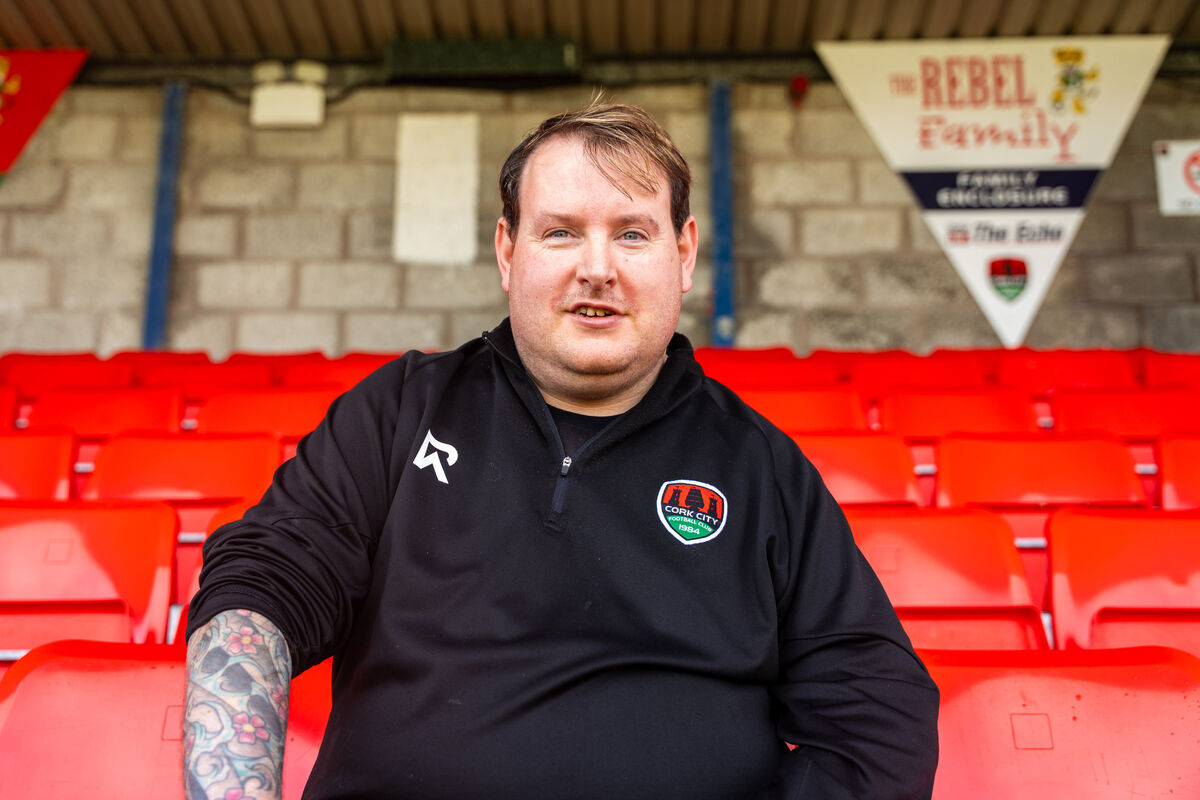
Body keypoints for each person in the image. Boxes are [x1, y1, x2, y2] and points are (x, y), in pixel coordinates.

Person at [184, 101, 939, 800]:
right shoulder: (400, 411)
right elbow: (262, 590)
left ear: (684, 251)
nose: (598, 268)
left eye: (633, 233)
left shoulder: (762, 467)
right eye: (561, 231)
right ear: (509, 251)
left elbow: (878, 712)